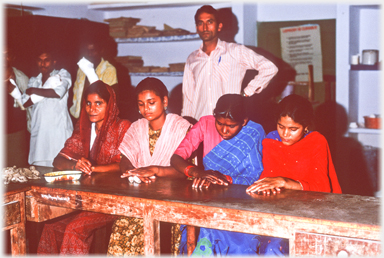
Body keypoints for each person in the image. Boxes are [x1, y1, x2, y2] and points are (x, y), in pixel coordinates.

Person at [171, 94, 286, 255]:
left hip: (244, 199)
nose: (224, 130)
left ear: (244, 121)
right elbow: (176, 158)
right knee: (203, 233)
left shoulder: (254, 131)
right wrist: (198, 172)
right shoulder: (205, 123)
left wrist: (227, 179)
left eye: (231, 126)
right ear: (214, 116)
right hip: (209, 197)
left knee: (238, 245)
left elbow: (256, 177)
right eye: (219, 123)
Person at [37, 81, 131, 255]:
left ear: (110, 104)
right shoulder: (83, 130)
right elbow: (58, 160)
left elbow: (124, 166)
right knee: (51, 226)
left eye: (98, 103)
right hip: (86, 199)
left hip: (114, 200)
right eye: (88, 103)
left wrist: (92, 169)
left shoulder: (122, 127)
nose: (92, 109)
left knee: (75, 229)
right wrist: (75, 164)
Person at [107, 77, 192, 256]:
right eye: (141, 104)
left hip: (171, 201)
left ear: (165, 101)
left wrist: (155, 170)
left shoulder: (181, 128)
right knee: (123, 224)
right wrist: (131, 171)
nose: (146, 109)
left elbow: (184, 172)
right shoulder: (136, 128)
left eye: (151, 103)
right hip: (139, 198)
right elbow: (125, 159)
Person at [181, 5, 278, 121]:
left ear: (219, 26)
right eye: (201, 23)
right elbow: (188, 98)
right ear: (197, 28)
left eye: (210, 22)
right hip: (200, 124)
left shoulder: (235, 51)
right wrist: (186, 124)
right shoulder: (192, 59)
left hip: (228, 123)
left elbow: (269, 68)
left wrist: (246, 93)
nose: (205, 27)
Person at [246, 94, 342, 195]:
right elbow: (268, 179)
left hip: (311, 204)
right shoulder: (271, 140)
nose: (285, 134)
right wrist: (267, 188)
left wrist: (285, 182)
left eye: (293, 129)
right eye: (281, 127)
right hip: (278, 201)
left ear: (306, 127)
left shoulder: (316, 141)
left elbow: (322, 188)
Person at [21, 47, 73, 167]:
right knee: (40, 171)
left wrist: (33, 91)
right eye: (40, 60)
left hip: (58, 132)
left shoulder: (62, 75)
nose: (43, 64)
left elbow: (57, 93)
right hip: (40, 134)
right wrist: (35, 90)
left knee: (61, 170)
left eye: (47, 60)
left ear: (54, 61)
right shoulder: (34, 80)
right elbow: (25, 103)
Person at [70, 36, 118, 121]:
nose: (89, 54)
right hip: (80, 116)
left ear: (101, 51)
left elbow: (107, 96)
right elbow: (76, 93)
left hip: (99, 117)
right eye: (87, 51)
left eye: (93, 50)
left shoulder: (108, 69)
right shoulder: (82, 68)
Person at [4, 46, 30, 167]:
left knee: (17, 170)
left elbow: (30, 108)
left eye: (7, 54)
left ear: (12, 57)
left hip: (17, 134)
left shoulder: (22, 78)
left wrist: (17, 93)